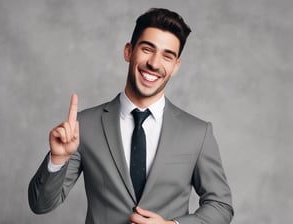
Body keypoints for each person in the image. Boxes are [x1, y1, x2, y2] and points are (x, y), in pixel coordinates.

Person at [28, 8, 234, 224]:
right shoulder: (84, 125)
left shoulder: (198, 133)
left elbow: (221, 206)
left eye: (167, 55)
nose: (154, 63)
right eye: (147, 49)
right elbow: (40, 204)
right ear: (129, 51)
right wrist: (57, 159)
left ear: (175, 66)